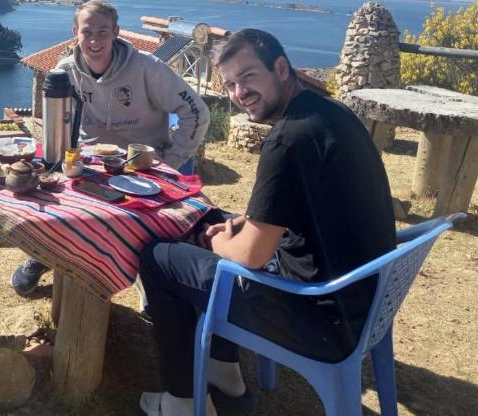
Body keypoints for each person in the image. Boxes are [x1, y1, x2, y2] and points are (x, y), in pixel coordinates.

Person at [138, 29, 395, 416]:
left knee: (158, 258)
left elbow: (252, 256)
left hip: (317, 316)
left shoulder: (287, 139)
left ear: (280, 67)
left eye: (248, 76)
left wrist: (219, 241)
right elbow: (303, 204)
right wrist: (230, 227)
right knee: (206, 219)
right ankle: (224, 372)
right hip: (362, 298)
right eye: (229, 84)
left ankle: (183, 402)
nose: (240, 92)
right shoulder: (330, 114)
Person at [11, 0, 210, 296]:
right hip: (92, 166)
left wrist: (171, 160)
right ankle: (44, 255)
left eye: (103, 32)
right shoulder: (65, 71)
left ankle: (154, 279)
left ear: (116, 32)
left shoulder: (146, 67)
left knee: (154, 230)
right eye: (87, 32)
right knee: (61, 207)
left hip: (146, 167)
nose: (94, 40)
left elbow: (196, 112)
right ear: (75, 31)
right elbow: (57, 120)